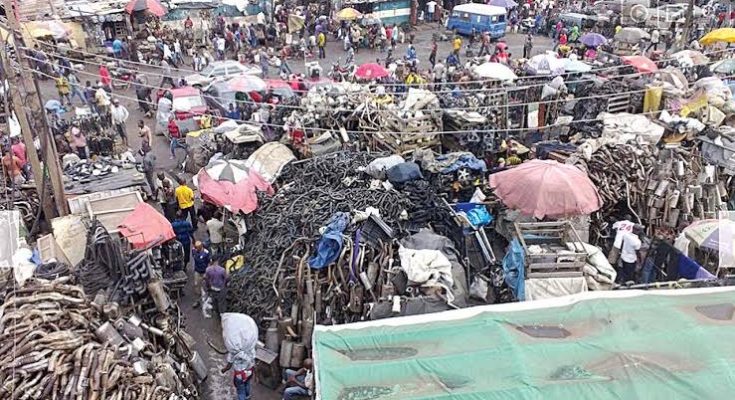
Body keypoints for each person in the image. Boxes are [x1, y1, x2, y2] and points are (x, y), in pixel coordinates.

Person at [191, 241, 210, 307]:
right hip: (197, 270)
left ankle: (207, 300)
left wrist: (207, 272)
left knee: (205, 286)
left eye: (198, 248)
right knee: (197, 284)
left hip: (204, 271)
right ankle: (198, 300)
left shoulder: (206, 253)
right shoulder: (193, 251)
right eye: (196, 247)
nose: (197, 249)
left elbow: (209, 263)